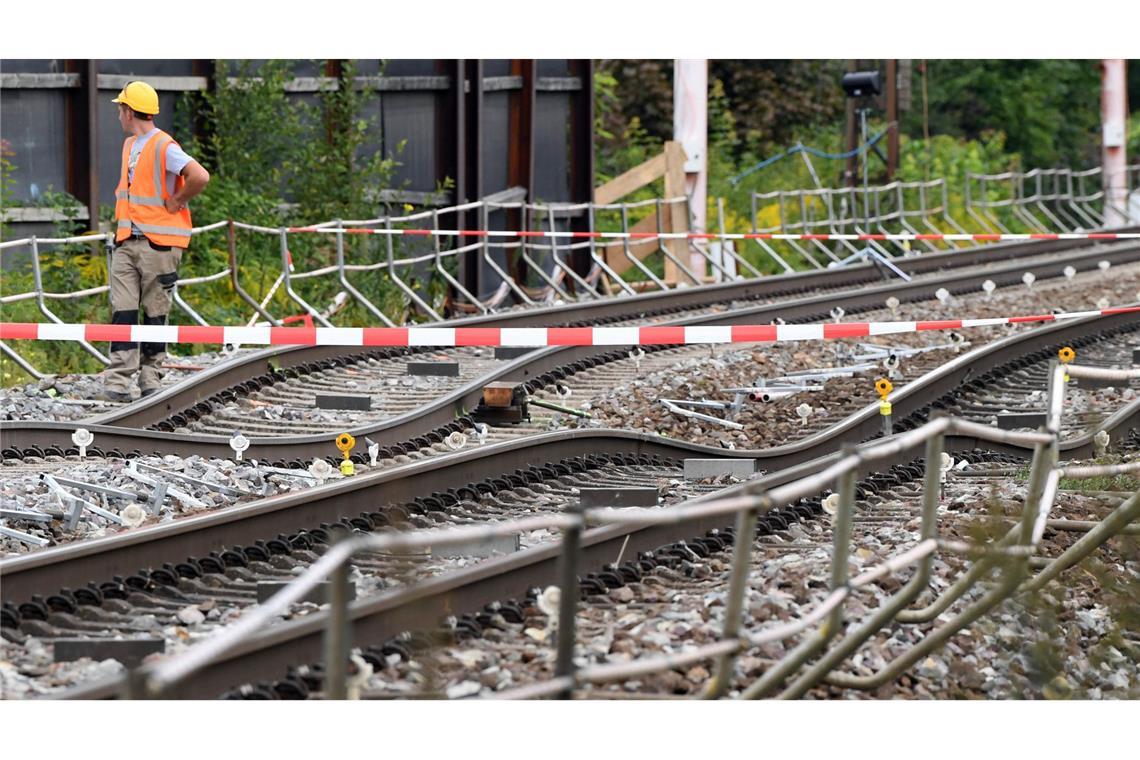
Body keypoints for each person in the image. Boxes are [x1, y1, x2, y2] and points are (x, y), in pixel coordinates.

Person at [98, 80, 210, 402]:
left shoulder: (164, 145)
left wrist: (176, 201)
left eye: (120, 109)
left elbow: (199, 176)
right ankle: (118, 380)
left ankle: (151, 378)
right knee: (123, 310)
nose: (119, 115)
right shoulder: (129, 145)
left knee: (154, 312)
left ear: (128, 110)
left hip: (158, 243)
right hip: (126, 241)